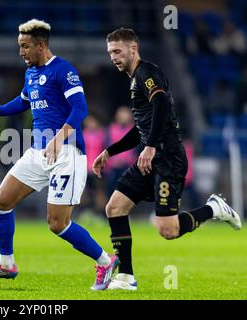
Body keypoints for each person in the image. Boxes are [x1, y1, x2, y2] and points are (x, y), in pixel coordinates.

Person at [0, 19, 118, 290]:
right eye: (19, 46)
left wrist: (59, 138)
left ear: (41, 45)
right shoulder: (30, 74)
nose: (21, 52)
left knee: (57, 223)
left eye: (25, 46)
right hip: (39, 152)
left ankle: (105, 261)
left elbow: (80, 109)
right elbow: (22, 102)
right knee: (1, 201)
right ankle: (6, 264)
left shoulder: (63, 71)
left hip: (67, 153)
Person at [93, 28, 242, 291]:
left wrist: (150, 146)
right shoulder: (133, 80)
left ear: (133, 49)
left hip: (167, 159)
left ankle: (214, 209)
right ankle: (126, 277)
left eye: (117, 51)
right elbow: (141, 127)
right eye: (110, 53)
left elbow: (161, 103)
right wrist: (110, 151)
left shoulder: (146, 73)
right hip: (149, 158)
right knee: (114, 208)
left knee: (168, 230)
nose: (113, 57)